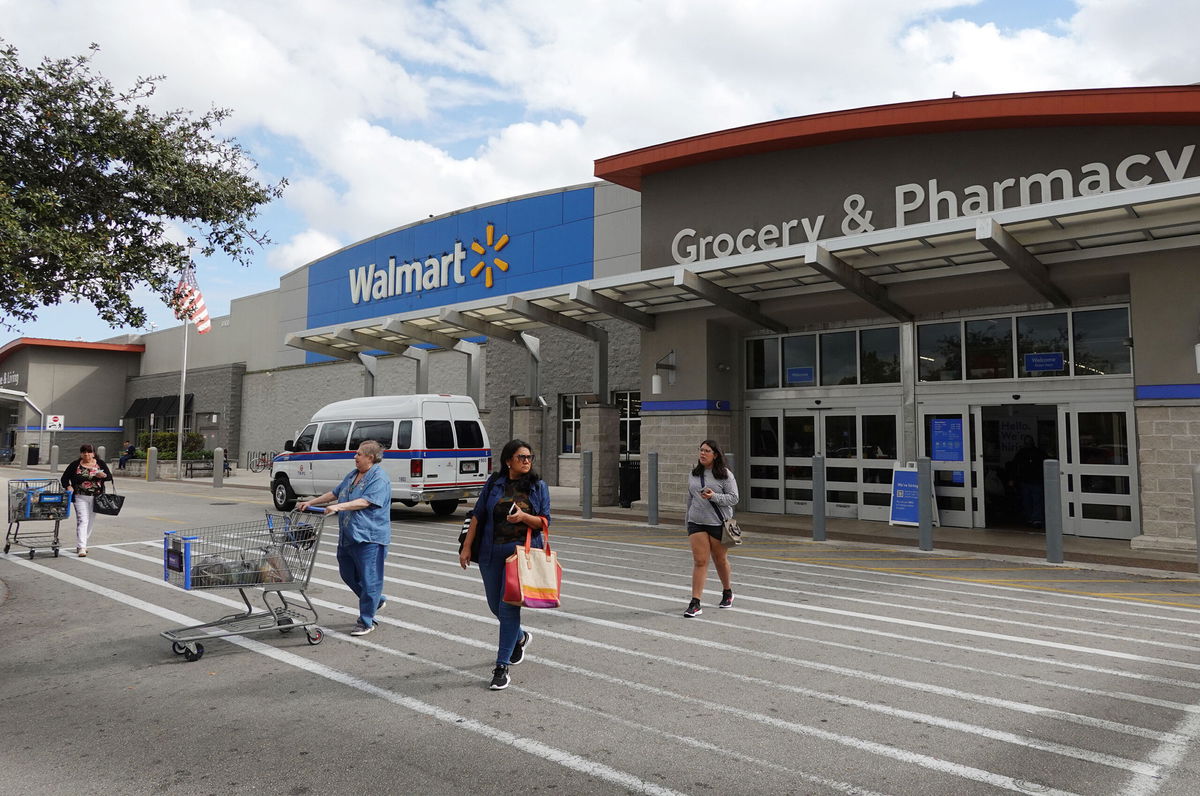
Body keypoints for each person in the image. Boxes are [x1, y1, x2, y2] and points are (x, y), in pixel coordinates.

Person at [459, 439, 550, 691]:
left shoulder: (538, 487)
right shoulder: (494, 483)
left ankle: (501, 667)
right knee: (494, 605)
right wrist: (467, 546)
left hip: (520, 556)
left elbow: (544, 522)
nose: (526, 461)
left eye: (529, 457)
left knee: (508, 608)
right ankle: (519, 637)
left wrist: (523, 517)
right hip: (490, 552)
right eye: (521, 457)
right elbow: (477, 515)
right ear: (508, 460)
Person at [297, 440, 392, 636]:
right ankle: (376, 600)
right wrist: (310, 502)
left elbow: (365, 501)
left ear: (370, 457)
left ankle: (366, 621)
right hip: (349, 535)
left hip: (369, 537)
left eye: (358, 454)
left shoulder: (379, 478)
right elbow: (334, 493)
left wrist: (339, 507)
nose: (354, 457)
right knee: (347, 574)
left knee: (369, 580)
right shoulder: (353, 475)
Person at [683, 439, 739, 618]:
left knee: (720, 559)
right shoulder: (693, 473)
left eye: (707, 451)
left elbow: (733, 498)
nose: (702, 453)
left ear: (715, 455)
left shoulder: (725, 475)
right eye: (701, 450)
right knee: (700, 561)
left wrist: (714, 496)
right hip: (696, 522)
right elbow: (690, 499)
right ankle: (695, 602)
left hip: (718, 523)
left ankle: (727, 591)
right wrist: (687, 522)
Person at [60, 443, 113, 557]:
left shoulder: (100, 463)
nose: (86, 454)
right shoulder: (75, 465)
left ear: (93, 453)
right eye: (84, 452)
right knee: (83, 520)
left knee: (90, 521)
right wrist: (68, 486)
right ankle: (82, 547)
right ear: (81, 454)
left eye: (89, 452)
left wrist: (102, 475)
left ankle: (82, 542)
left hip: (97, 497)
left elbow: (109, 476)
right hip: (80, 496)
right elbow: (64, 478)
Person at [1008, 434, 1048, 528]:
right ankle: (1032, 518)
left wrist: (1012, 479)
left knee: (1035, 500)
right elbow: (1014, 466)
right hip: (1027, 480)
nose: (1027, 443)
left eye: (1028, 441)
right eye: (1026, 442)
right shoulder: (1023, 453)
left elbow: (1014, 465)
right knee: (1029, 501)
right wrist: (1012, 478)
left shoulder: (1036, 452)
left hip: (1034, 480)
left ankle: (1035, 519)